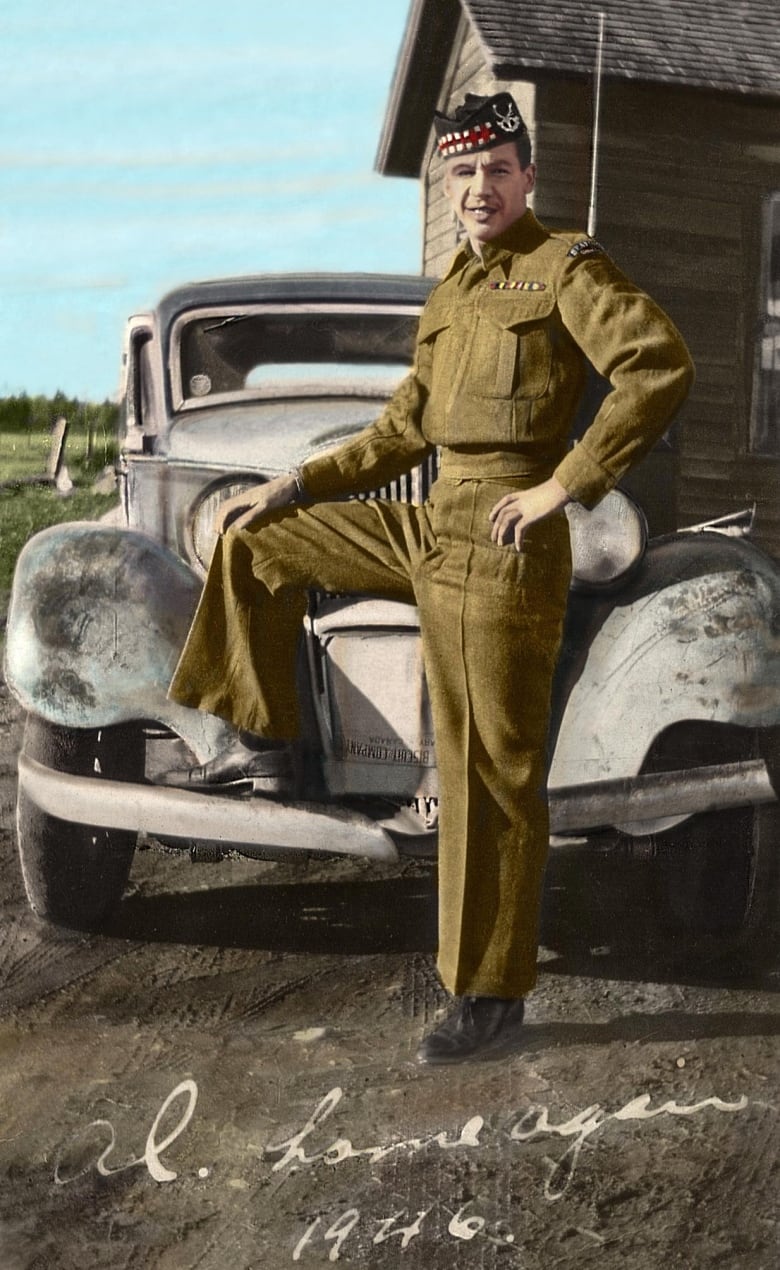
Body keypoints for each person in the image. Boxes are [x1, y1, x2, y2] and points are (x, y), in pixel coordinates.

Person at [160, 92, 694, 1064]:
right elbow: (403, 429)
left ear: (527, 177)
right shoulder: (452, 291)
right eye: (463, 172)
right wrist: (295, 482)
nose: (479, 186)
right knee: (257, 542)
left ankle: (488, 992)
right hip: (428, 523)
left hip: (505, 539)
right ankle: (261, 740)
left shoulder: (565, 267)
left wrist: (564, 486)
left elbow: (658, 366)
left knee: (488, 772)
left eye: (497, 169)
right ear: (449, 186)